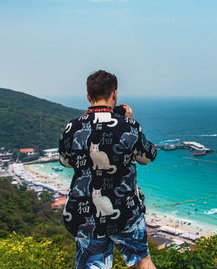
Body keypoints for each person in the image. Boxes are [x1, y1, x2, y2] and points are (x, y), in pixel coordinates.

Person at [58, 70, 157, 269]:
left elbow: (65, 161)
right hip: (125, 211)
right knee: (143, 261)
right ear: (114, 94)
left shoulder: (72, 127)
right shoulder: (129, 126)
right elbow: (147, 157)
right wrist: (130, 121)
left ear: (88, 96)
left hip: (85, 214)